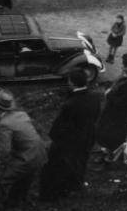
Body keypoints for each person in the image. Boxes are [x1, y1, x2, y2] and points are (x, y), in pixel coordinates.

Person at [38, 69, 103, 201]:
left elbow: (60, 126)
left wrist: (55, 138)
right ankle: (75, 185)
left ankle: (54, 192)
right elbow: (95, 117)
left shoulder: (70, 104)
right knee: (80, 162)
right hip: (87, 136)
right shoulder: (95, 98)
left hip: (69, 140)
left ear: (72, 83)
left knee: (58, 166)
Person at [0, 90, 47, 211]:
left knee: (2, 180)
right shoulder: (22, 115)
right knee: (26, 176)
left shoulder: (5, 123)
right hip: (40, 153)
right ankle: (18, 199)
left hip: (27, 157)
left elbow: (5, 150)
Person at [95, 53, 127, 159]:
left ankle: (109, 158)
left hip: (119, 114)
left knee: (114, 136)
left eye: (125, 66)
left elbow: (122, 101)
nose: (122, 67)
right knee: (106, 132)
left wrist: (109, 94)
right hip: (114, 110)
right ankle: (105, 150)